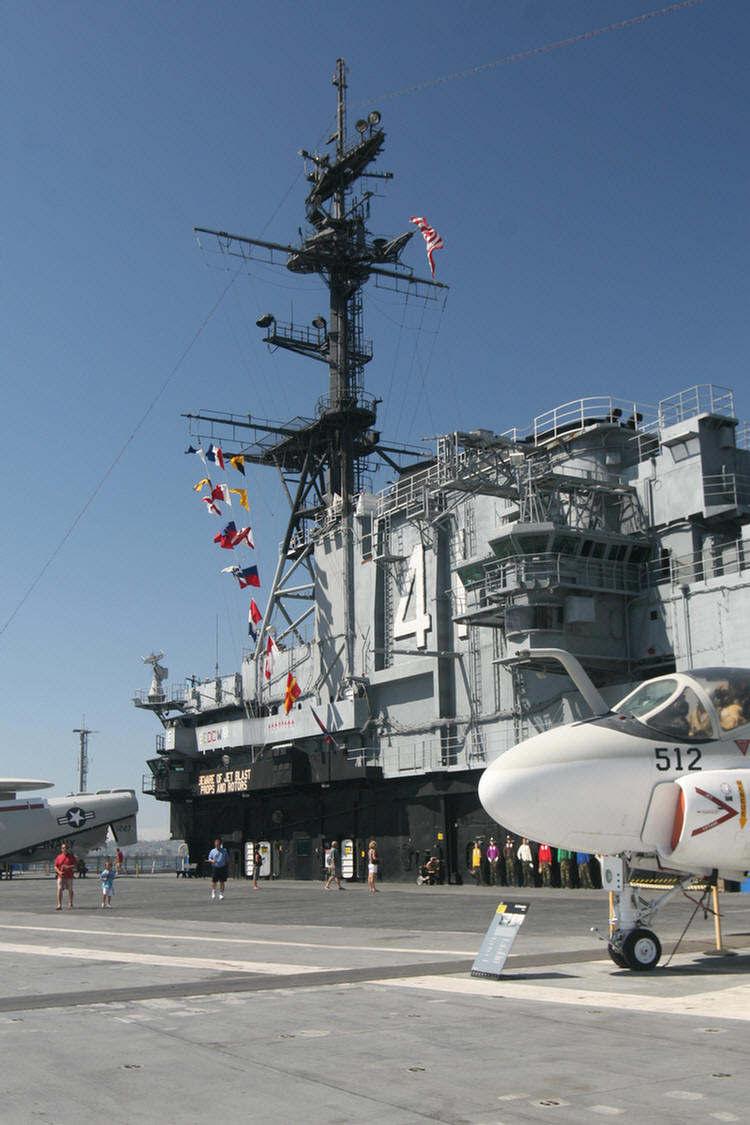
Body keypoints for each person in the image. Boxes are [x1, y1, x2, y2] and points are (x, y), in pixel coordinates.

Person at [54, 841, 77, 910]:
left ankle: (70, 903)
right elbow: (55, 866)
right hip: (61, 876)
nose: (64, 849)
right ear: (61, 849)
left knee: (70, 890)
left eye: (66, 848)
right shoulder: (59, 857)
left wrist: (68, 867)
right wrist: (59, 872)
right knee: (59, 889)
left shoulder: (71, 856)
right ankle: (59, 904)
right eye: (63, 848)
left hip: (69, 876)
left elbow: (75, 865)